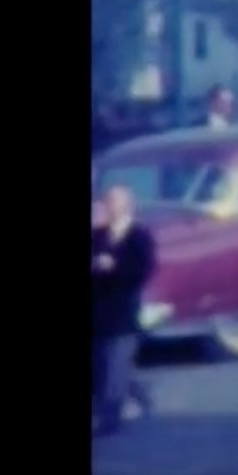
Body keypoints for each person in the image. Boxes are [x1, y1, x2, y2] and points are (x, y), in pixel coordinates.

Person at [92, 185, 157, 437]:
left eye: (113, 202)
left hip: (121, 312)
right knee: (101, 366)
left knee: (115, 367)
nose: (107, 206)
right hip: (98, 312)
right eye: (106, 201)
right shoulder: (98, 235)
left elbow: (142, 272)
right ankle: (137, 397)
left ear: (126, 206)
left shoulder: (139, 236)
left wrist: (113, 267)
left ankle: (110, 420)